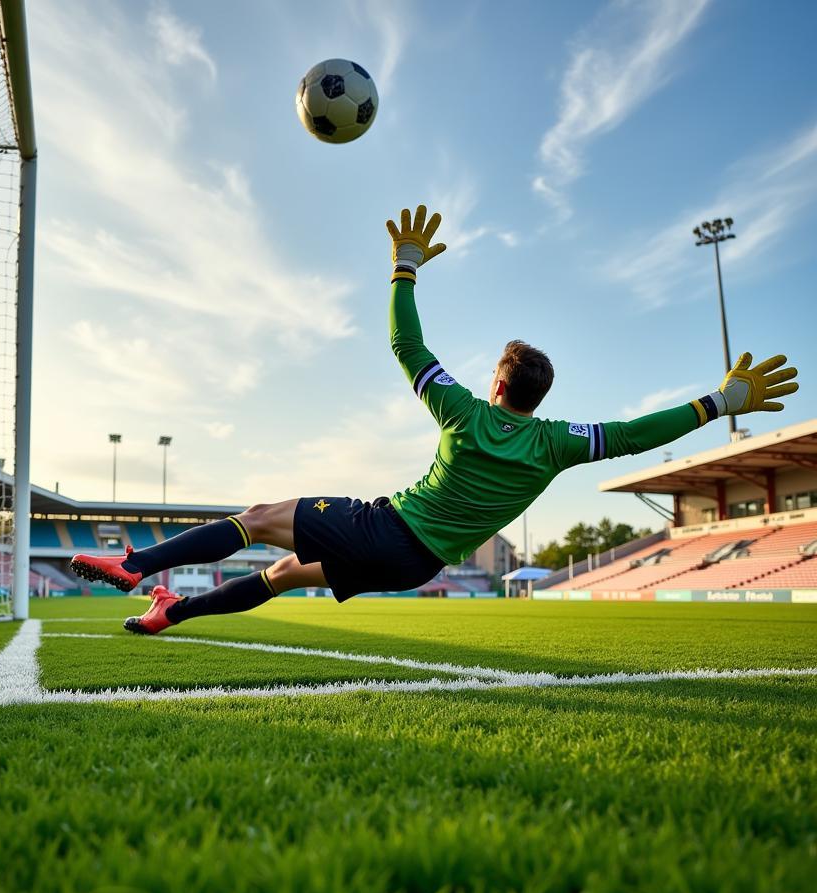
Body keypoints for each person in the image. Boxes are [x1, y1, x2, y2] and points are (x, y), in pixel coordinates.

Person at [71, 206, 799, 635]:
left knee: (262, 517)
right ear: (538, 396)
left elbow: (405, 345)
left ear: (498, 382)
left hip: (390, 528)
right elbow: (640, 433)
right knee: (288, 574)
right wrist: (717, 403)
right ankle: (173, 614)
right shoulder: (558, 445)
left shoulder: (462, 411)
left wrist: (405, 268)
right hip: (417, 565)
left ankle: (135, 565)